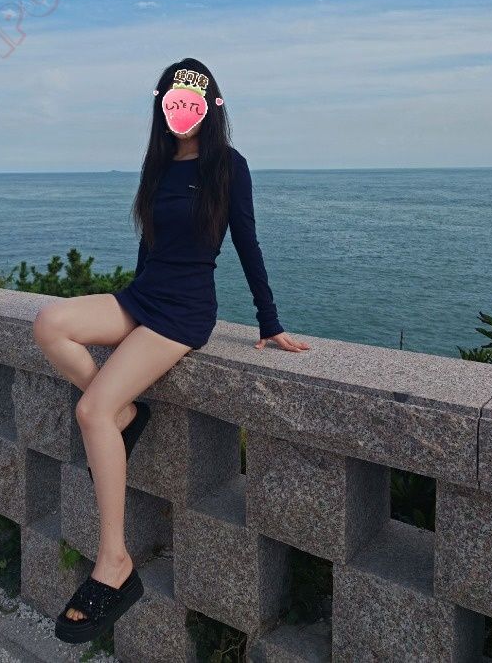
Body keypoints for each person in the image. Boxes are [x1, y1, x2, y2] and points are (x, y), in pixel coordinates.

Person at [33, 56, 310, 644]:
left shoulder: (228, 166)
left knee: (92, 411)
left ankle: (115, 563)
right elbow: (150, 242)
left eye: (191, 99)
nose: (181, 109)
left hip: (185, 312)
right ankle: (127, 415)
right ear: (162, 106)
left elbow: (248, 243)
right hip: (144, 296)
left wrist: (269, 321)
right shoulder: (157, 165)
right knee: (50, 323)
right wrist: (130, 306)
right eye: (171, 99)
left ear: (210, 106)